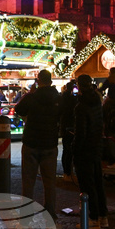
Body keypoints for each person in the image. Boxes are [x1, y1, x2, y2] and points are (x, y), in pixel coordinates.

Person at [15, 69, 60, 220]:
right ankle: (50, 211)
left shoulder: (32, 97)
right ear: (51, 80)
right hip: (49, 142)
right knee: (50, 181)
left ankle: (26, 213)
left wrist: (29, 93)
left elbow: (18, 109)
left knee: (28, 180)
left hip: (32, 142)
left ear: (38, 80)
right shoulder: (57, 97)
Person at [74, 75, 108, 229]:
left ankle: (93, 218)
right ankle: (103, 216)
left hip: (86, 148)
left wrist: (75, 150)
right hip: (97, 145)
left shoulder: (81, 107)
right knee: (98, 182)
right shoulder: (97, 102)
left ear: (79, 86)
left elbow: (81, 132)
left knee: (87, 185)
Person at [59, 80, 77, 179]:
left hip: (64, 126)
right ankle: (68, 171)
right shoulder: (73, 99)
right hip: (70, 126)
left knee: (66, 149)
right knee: (69, 150)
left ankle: (66, 171)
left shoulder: (62, 98)